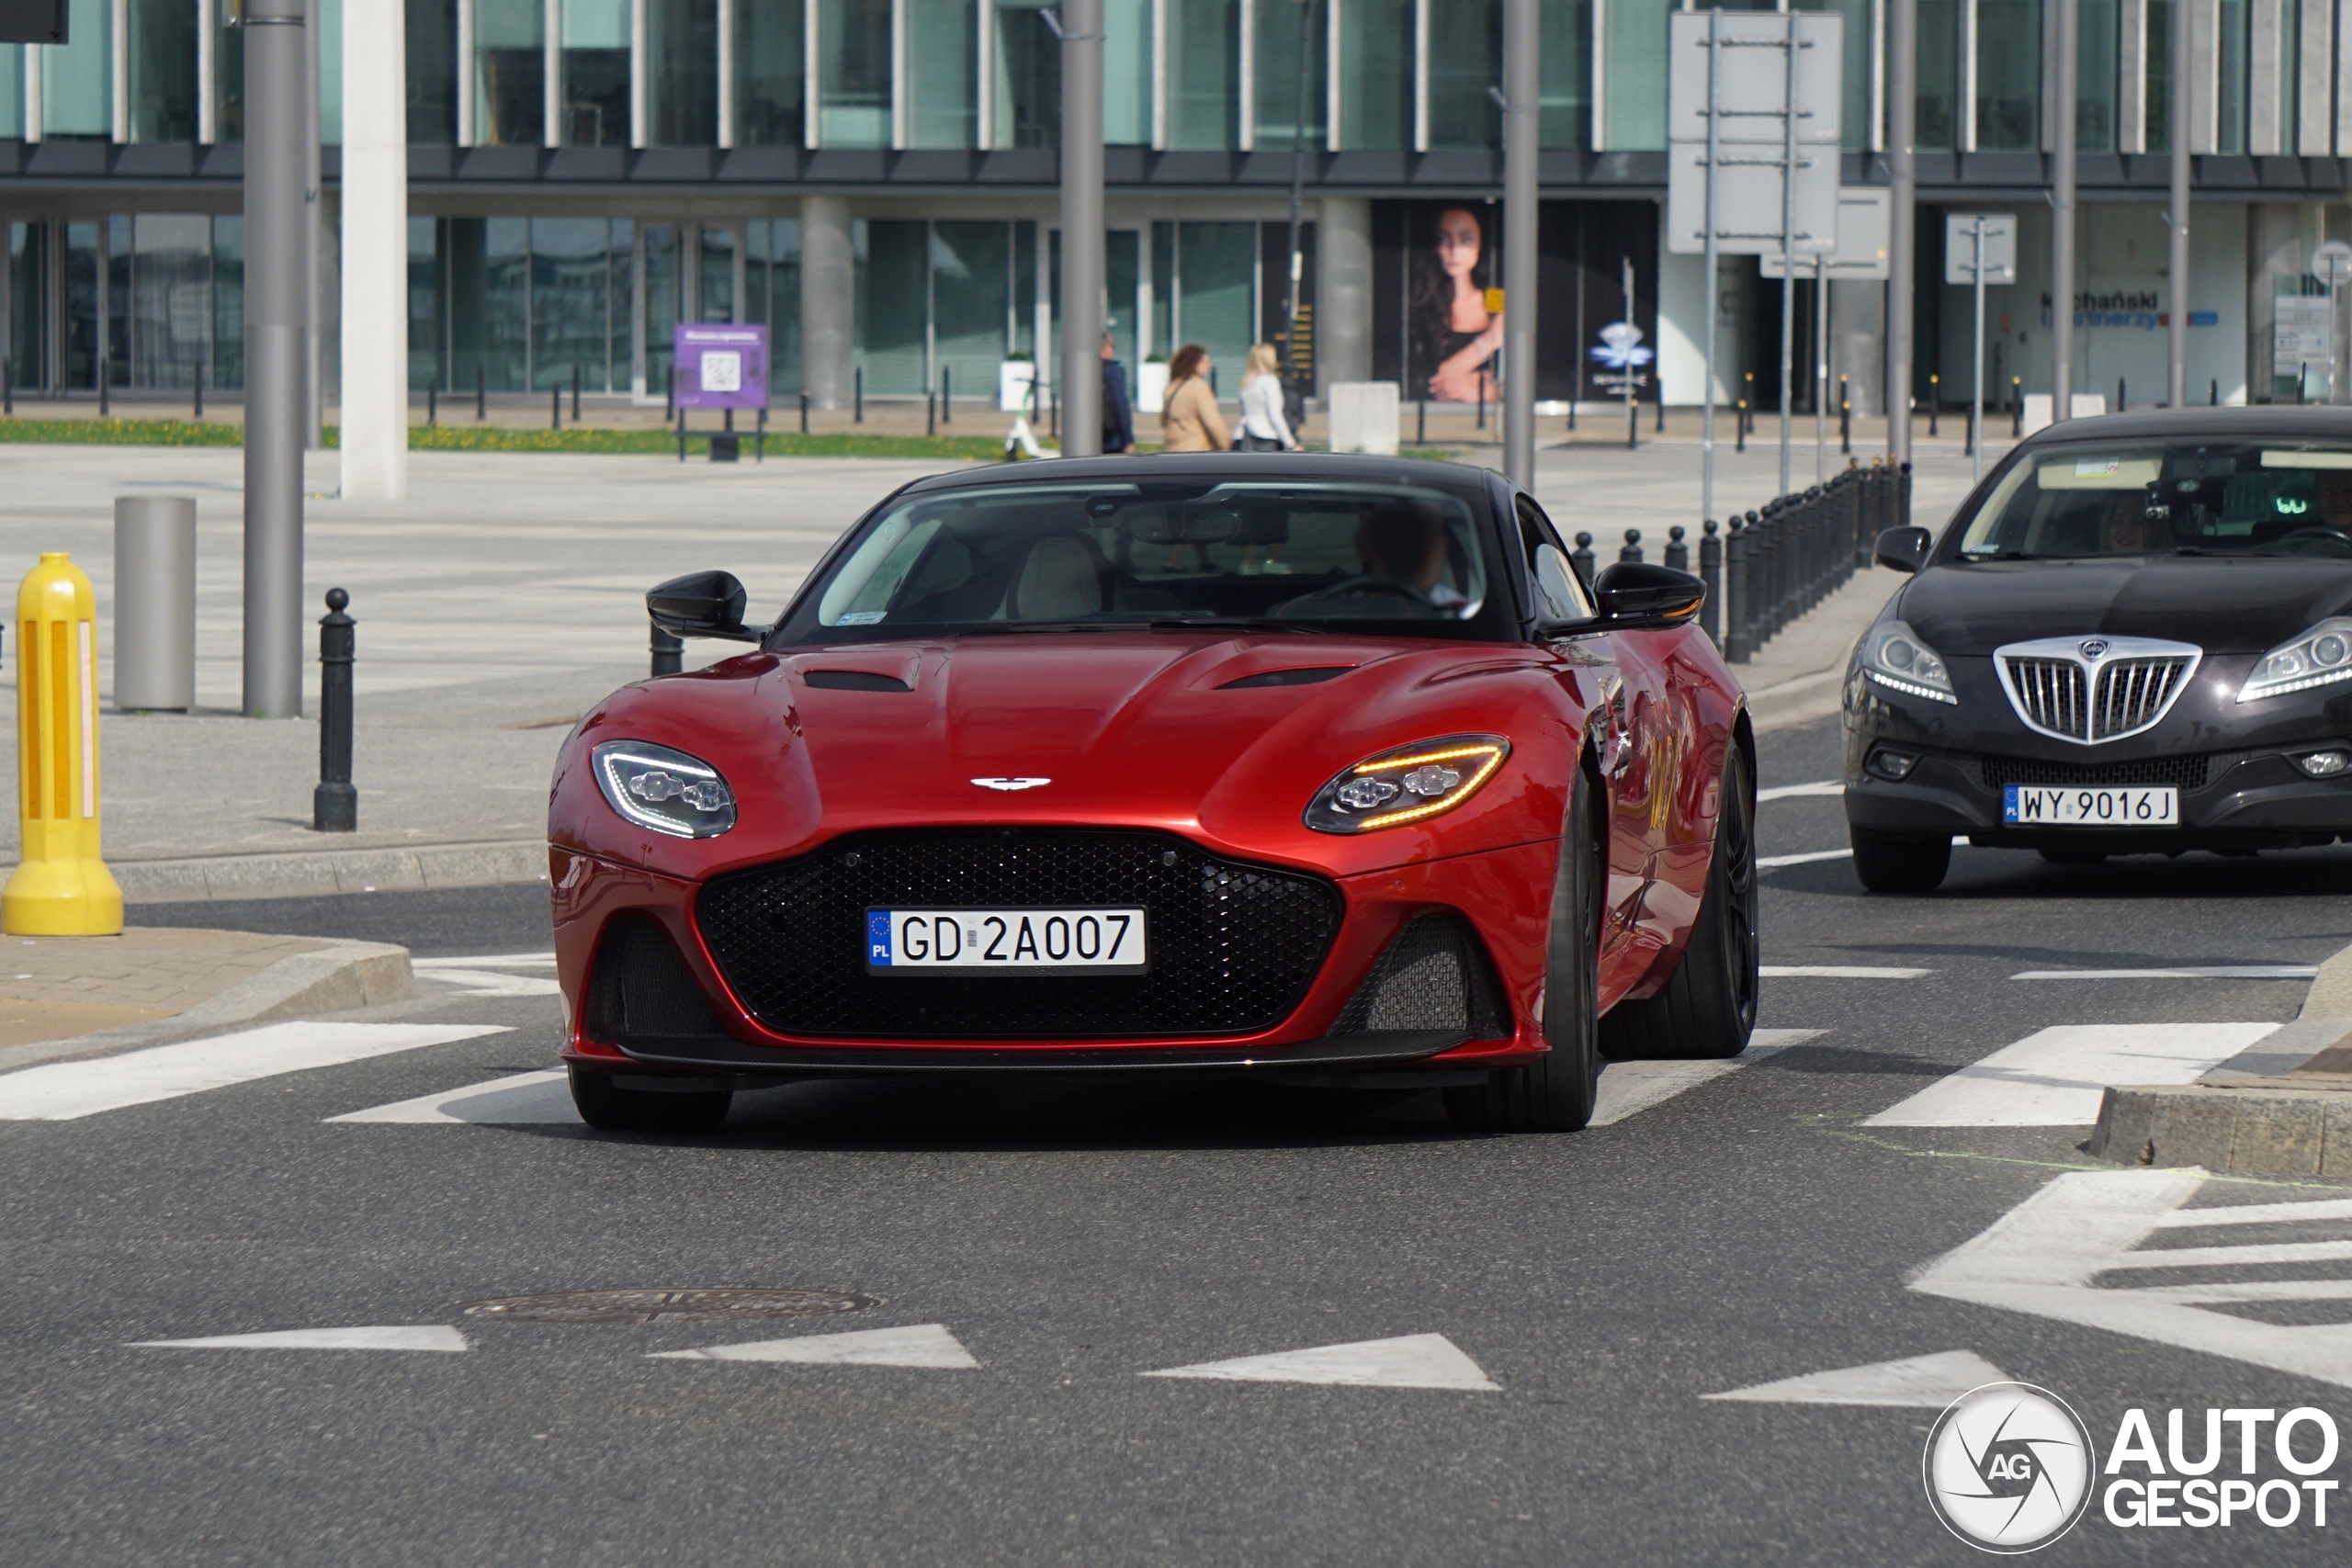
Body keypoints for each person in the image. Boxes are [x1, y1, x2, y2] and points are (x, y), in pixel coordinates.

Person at [1411, 207, 1504, 405]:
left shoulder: (1495, 299)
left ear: (1480, 245)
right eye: (1444, 240)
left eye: (1466, 240)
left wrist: (1476, 393)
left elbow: (1514, 381)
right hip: (1439, 420)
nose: (1454, 251)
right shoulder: (1425, 304)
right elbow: (1439, 379)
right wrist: (1489, 341)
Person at [1159, 344, 1230, 453]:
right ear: (1194, 363)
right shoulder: (1198, 387)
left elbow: (1163, 421)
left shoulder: (1172, 387)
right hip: (1196, 450)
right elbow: (1213, 422)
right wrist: (1227, 445)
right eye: (1205, 361)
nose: (1209, 365)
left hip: (1171, 449)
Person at [1237, 343, 1298, 453]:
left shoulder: (1246, 382)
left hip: (1244, 435)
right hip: (1265, 437)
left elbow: (1243, 412)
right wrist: (1290, 443)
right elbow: (1275, 416)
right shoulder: (1270, 381)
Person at [1100, 333, 1134, 454]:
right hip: (1111, 439)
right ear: (1107, 348)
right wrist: (1128, 439)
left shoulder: (1083, 370)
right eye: (1112, 346)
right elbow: (1120, 405)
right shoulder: (1113, 371)